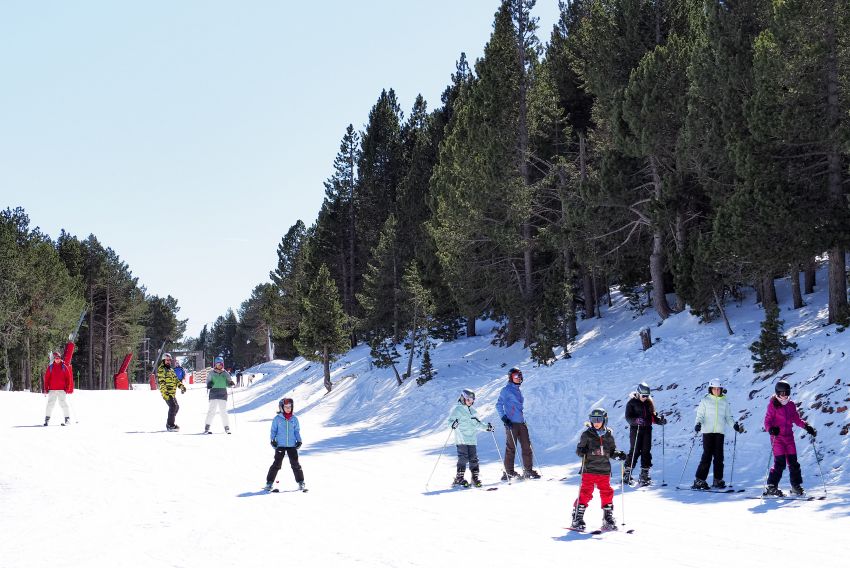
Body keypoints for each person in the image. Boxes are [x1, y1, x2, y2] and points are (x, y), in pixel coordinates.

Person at [571, 408, 627, 531]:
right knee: (586, 492)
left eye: (599, 420)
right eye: (593, 420)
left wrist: (618, 454)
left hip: (604, 470)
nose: (596, 422)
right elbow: (579, 450)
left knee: (607, 493)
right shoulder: (586, 434)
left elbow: (612, 452)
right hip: (589, 469)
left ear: (604, 420)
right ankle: (577, 517)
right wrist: (582, 451)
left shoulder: (609, 435)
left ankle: (608, 518)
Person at [763, 380, 816, 496]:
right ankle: (771, 486)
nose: (784, 395)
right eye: (782, 393)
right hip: (777, 439)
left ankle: (796, 486)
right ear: (777, 393)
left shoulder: (791, 404)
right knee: (780, 463)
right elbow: (767, 421)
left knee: (793, 463)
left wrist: (807, 426)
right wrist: (771, 429)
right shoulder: (773, 405)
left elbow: (796, 419)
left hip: (789, 438)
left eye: (786, 393)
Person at [691, 378, 744, 489]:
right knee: (707, 456)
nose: (716, 391)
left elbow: (728, 417)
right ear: (710, 389)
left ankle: (717, 480)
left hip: (719, 432)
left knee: (719, 457)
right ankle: (699, 480)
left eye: (718, 389)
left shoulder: (724, 401)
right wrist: (698, 424)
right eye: (714, 389)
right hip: (707, 432)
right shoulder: (705, 400)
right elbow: (700, 415)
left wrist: (734, 425)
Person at [496, 367, 540, 480]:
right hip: (511, 423)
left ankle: (528, 471)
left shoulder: (517, 390)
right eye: (516, 376)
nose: (519, 378)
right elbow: (498, 405)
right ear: (511, 377)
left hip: (521, 423)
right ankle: (509, 473)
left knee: (527, 446)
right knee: (511, 448)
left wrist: (522, 420)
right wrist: (504, 418)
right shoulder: (506, 390)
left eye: (520, 375)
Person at [447, 389, 494, 487]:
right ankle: (459, 478)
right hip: (461, 439)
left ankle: (474, 478)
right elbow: (449, 422)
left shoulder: (473, 411)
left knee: (474, 459)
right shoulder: (457, 410)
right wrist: (453, 424)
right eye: (468, 399)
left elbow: (478, 424)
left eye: (472, 400)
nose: (471, 401)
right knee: (463, 458)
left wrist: (487, 428)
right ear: (463, 398)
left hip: (472, 440)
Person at [623, 381, 667, 485]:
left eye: (647, 395)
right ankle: (627, 474)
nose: (645, 397)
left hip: (647, 430)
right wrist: (636, 421)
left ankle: (644, 475)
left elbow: (653, 416)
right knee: (635, 451)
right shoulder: (631, 403)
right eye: (643, 395)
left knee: (646, 451)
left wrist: (659, 420)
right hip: (636, 430)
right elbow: (628, 418)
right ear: (638, 393)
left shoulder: (649, 402)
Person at [265, 398, 305, 491]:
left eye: (290, 407)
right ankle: (269, 482)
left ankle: (301, 482)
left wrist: (299, 440)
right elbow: (273, 431)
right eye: (286, 407)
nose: (288, 408)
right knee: (277, 464)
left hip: (291, 445)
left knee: (295, 464)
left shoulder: (294, 419)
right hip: (280, 444)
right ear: (281, 408)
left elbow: (296, 431)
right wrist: (273, 440)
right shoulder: (277, 419)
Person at [42, 349, 74, 426]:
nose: (57, 359)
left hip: (61, 390)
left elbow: (68, 378)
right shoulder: (50, 367)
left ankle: (67, 419)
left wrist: (67, 388)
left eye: (59, 358)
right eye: (56, 358)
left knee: (63, 404)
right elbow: (47, 379)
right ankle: (47, 419)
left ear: (60, 358)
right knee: (50, 404)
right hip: (52, 390)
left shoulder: (64, 367)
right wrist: (46, 389)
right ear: (54, 359)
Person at [205, 356, 235, 434]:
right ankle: (207, 426)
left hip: (222, 393)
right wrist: (209, 384)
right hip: (213, 393)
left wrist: (230, 383)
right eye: (218, 364)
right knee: (212, 410)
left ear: (223, 365)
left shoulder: (225, 373)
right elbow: (208, 381)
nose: (219, 366)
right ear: (215, 364)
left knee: (223, 411)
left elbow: (228, 382)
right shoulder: (211, 372)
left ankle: (226, 427)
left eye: (221, 364)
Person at [158, 353, 186, 431]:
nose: (168, 362)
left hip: (172, 393)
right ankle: (170, 425)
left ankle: (169, 422)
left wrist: (181, 386)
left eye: (169, 360)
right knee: (173, 406)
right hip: (167, 393)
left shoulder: (171, 369)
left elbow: (176, 380)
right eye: (167, 360)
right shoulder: (161, 369)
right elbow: (162, 382)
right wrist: (165, 393)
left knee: (176, 407)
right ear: (163, 360)